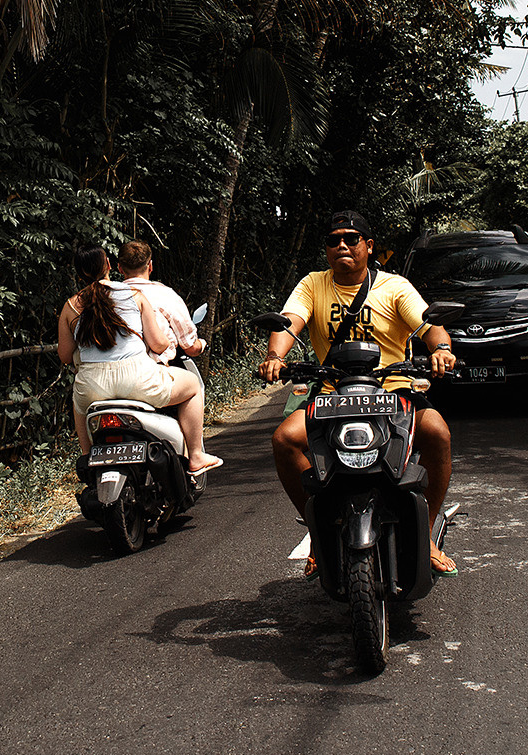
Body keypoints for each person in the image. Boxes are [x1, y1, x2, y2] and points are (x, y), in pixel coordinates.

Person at [256, 211, 459, 576]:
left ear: (369, 246)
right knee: (284, 439)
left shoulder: (394, 286)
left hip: (393, 389)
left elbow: (429, 324)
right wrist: (275, 356)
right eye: (334, 241)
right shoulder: (313, 285)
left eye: (351, 239)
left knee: (438, 432)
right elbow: (290, 321)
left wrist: (441, 348)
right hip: (334, 392)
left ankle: (426, 532)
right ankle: (319, 532)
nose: (342, 246)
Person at [57, 244, 222, 474]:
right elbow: (158, 344)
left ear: (78, 273)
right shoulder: (134, 296)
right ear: (108, 266)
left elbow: (65, 356)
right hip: (138, 380)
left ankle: (87, 457)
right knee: (193, 385)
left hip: (92, 386)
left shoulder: (70, 306)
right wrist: (163, 343)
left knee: (78, 402)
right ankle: (195, 455)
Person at [115, 240, 203, 367]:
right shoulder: (165, 294)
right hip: (153, 368)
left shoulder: (108, 296)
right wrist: (202, 344)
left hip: (115, 367)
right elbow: (190, 347)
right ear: (150, 266)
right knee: (193, 384)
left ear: (120, 268)